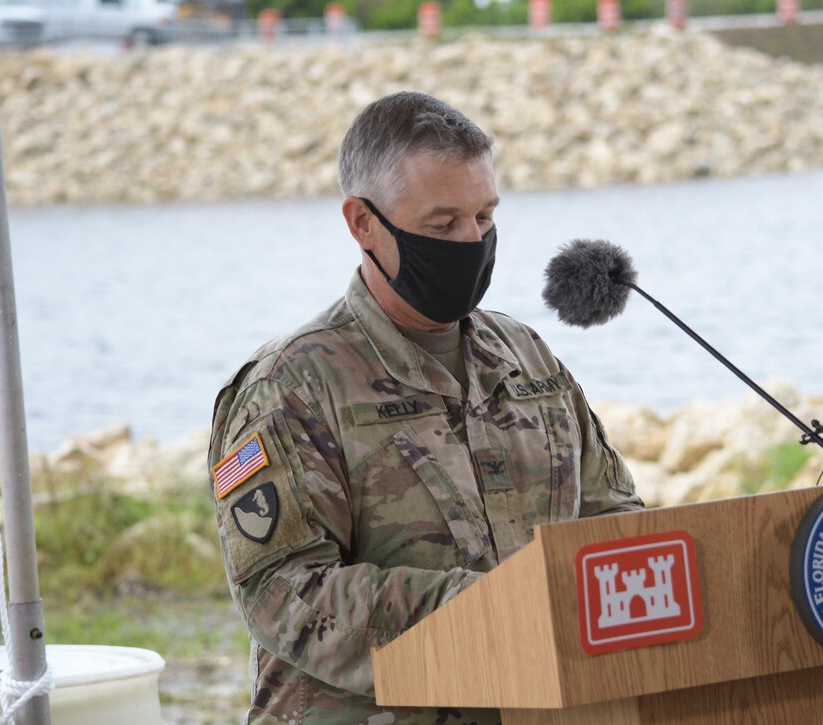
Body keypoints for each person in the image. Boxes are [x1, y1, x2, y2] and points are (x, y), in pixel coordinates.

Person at [208, 91, 644, 725]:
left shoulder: (528, 359)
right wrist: (494, 611)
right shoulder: (291, 386)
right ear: (362, 223)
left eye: (485, 218)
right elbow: (282, 591)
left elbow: (614, 523)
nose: (471, 242)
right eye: (443, 225)